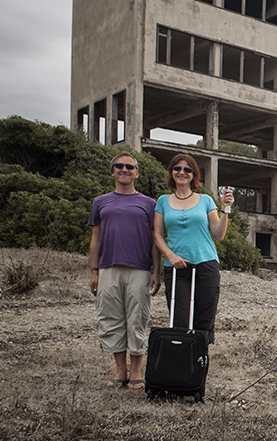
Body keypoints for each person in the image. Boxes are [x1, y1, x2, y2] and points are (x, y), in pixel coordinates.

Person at [88, 153, 161, 390]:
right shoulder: (101, 202)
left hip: (139, 268)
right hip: (108, 266)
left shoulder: (149, 204)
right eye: (119, 166)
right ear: (112, 171)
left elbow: (155, 240)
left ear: (137, 173)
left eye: (130, 167)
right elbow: (95, 239)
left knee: (137, 318)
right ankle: (120, 369)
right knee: (110, 318)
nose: (124, 169)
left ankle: (137, 370)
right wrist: (93, 270)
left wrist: (156, 271)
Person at [153, 153, 233, 344]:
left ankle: (198, 365)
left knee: (203, 321)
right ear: (171, 172)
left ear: (194, 174)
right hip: (176, 268)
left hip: (205, 264)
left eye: (187, 169)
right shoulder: (163, 201)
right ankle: (180, 367)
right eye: (177, 168)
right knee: (179, 320)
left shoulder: (205, 200)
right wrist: (170, 256)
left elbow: (218, 234)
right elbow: (157, 234)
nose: (182, 172)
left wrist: (226, 209)